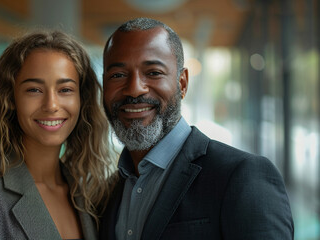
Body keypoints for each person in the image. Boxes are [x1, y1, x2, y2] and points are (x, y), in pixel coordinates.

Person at [99, 18, 294, 240]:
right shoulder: (110, 192)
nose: (134, 89)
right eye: (117, 75)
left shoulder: (242, 175)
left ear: (182, 84)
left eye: (153, 73)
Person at [0, 30, 116, 240]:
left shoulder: (86, 196)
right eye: (34, 90)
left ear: (81, 100)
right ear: (10, 98)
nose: (51, 105)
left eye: (65, 89)